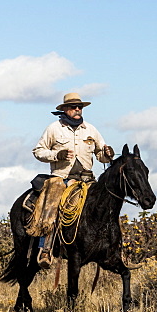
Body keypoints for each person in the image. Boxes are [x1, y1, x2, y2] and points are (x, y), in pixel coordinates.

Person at [27, 92, 115, 268]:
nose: (77, 110)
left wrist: (107, 154)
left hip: (87, 179)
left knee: (107, 206)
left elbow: (100, 155)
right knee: (51, 207)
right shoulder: (54, 128)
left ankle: (112, 247)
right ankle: (46, 249)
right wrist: (55, 155)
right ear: (64, 109)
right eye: (73, 107)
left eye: (79, 107)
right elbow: (38, 151)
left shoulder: (91, 130)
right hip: (61, 178)